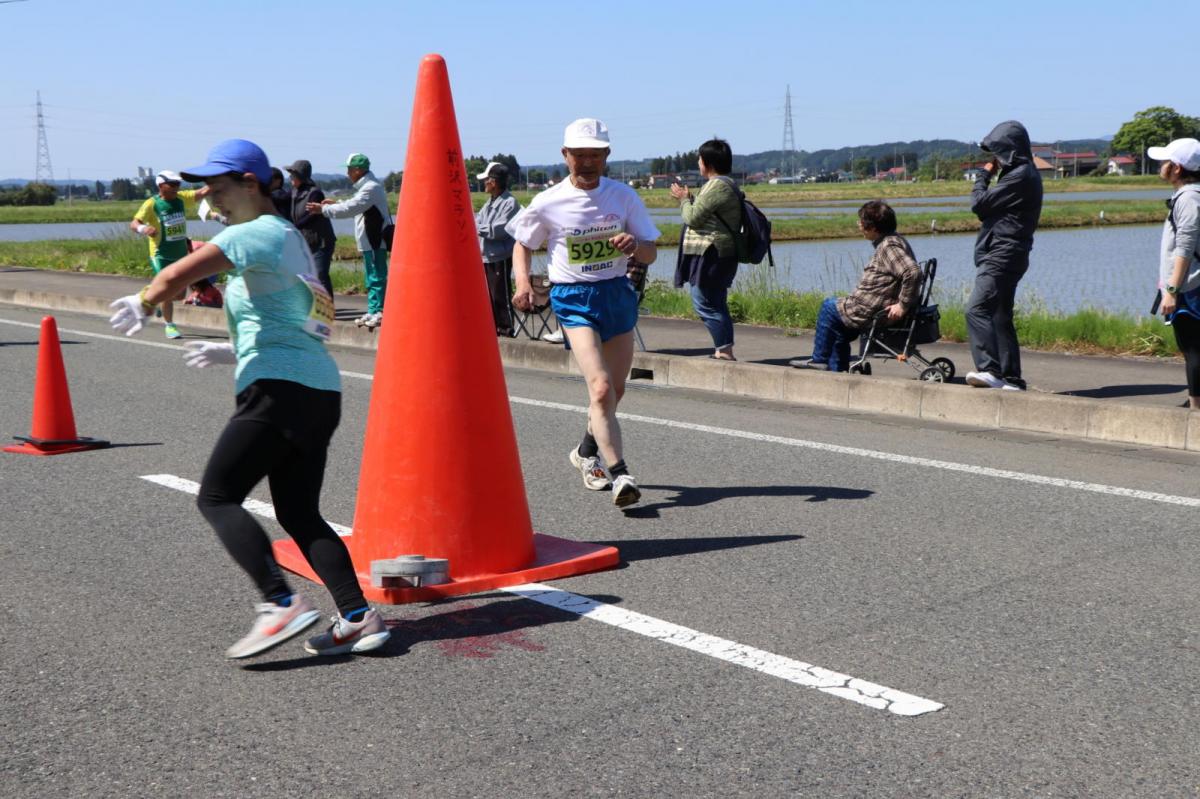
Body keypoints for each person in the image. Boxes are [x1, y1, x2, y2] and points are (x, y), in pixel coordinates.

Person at [108, 139, 389, 659]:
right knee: (299, 513)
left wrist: (145, 300)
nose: (209, 196)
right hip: (316, 389)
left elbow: (176, 274)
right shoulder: (285, 239)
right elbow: (307, 320)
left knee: (216, 496)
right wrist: (233, 349)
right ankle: (358, 617)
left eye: (217, 185)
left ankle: (278, 603)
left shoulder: (255, 232)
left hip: (278, 390)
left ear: (251, 183)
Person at [507, 118, 660, 509]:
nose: (587, 162)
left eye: (595, 154)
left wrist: (633, 247)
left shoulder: (623, 197)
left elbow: (650, 251)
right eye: (579, 155)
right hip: (573, 297)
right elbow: (523, 243)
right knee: (601, 387)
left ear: (607, 156)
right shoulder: (549, 200)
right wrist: (523, 283)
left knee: (617, 390)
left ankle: (585, 451)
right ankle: (621, 473)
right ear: (565, 156)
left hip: (616, 294)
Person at [789, 201, 921, 371]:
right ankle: (838, 369)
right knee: (838, 325)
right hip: (871, 307)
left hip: (870, 310)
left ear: (873, 227)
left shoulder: (889, 246)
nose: (858, 225)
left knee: (828, 308)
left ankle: (819, 359)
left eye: (861, 222)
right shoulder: (894, 240)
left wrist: (902, 305)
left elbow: (912, 272)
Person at [964, 120, 1043, 391]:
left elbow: (979, 204)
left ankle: (990, 369)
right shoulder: (1022, 173)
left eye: (998, 152)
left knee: (976, 309)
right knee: (999, 315)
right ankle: (1012, 378)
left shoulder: (1020, 176)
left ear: (1010, 150)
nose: (994, 159)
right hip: (1011, 252)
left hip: (1003, 253)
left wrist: (982, 176)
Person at [669, 138, 741, 360]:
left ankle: (724, 350)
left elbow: (693, 217)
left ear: (707, 162)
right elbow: (704, 212)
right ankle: (723, 350)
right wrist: (691, 198)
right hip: (715, 251)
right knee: (714, 301)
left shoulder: (717, 185)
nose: (698, 163)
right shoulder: (721, 185)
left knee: (704, 301)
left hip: (712, 252)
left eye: (700, 159)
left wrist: (683, 200)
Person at [307, 153, 390, 328]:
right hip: (369, 239)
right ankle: (374, 310)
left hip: (375, 239)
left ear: (358, 170)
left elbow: (351, 207)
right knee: (371, 277)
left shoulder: (371, 188)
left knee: (377, 277)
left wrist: (324, 209)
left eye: (349, 169)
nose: (347, 173)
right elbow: (354, 204)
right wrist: (334, 203)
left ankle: (380, 311)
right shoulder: (366, 187)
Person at [1150, 138, 1200, 408]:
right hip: (1188, 285)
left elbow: (1185, 247)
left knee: (1193, 348)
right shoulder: (1188, 196)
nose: (1161, 165)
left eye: (1164, 161)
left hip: (1190, 288)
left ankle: (1195, 409)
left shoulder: (1189, 199)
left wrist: (1171, 291)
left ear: (1177, 168)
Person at [130, 170, 209, 339]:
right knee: (167, 288)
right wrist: (144, 229)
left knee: (180, 294)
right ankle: (170, 325)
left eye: (178, 184)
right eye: (172, 184)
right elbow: (134, 223)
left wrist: (224, 178)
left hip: (180, 253)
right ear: (161, 185)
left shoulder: (181, 198)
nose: (176, 187)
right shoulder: (152, 204)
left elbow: (203, 192)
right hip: (161, 254)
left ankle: (156, 300)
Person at [475, 161, 521, 336]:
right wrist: (481, 227)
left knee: (501, 294)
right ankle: (494, 327)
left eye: (486, 180)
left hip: (500, 256)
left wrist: (479, 228)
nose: (484, 183)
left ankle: (506, 328)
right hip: (487, 255)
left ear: (493, 182)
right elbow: (480, 222)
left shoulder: (510, 202)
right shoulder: (490, 202)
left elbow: (499, 230)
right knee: (490, 295)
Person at [286, 159, 337, 301]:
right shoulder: (293, 192)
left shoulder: (315, 193)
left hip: (321, 241)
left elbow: (311, 215)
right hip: (305, 241)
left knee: (320, 275)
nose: (290, 178)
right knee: (307, 276)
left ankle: (328, 308)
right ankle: (314, 307)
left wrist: (293, 227)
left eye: (293, 175)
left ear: (301, 176)